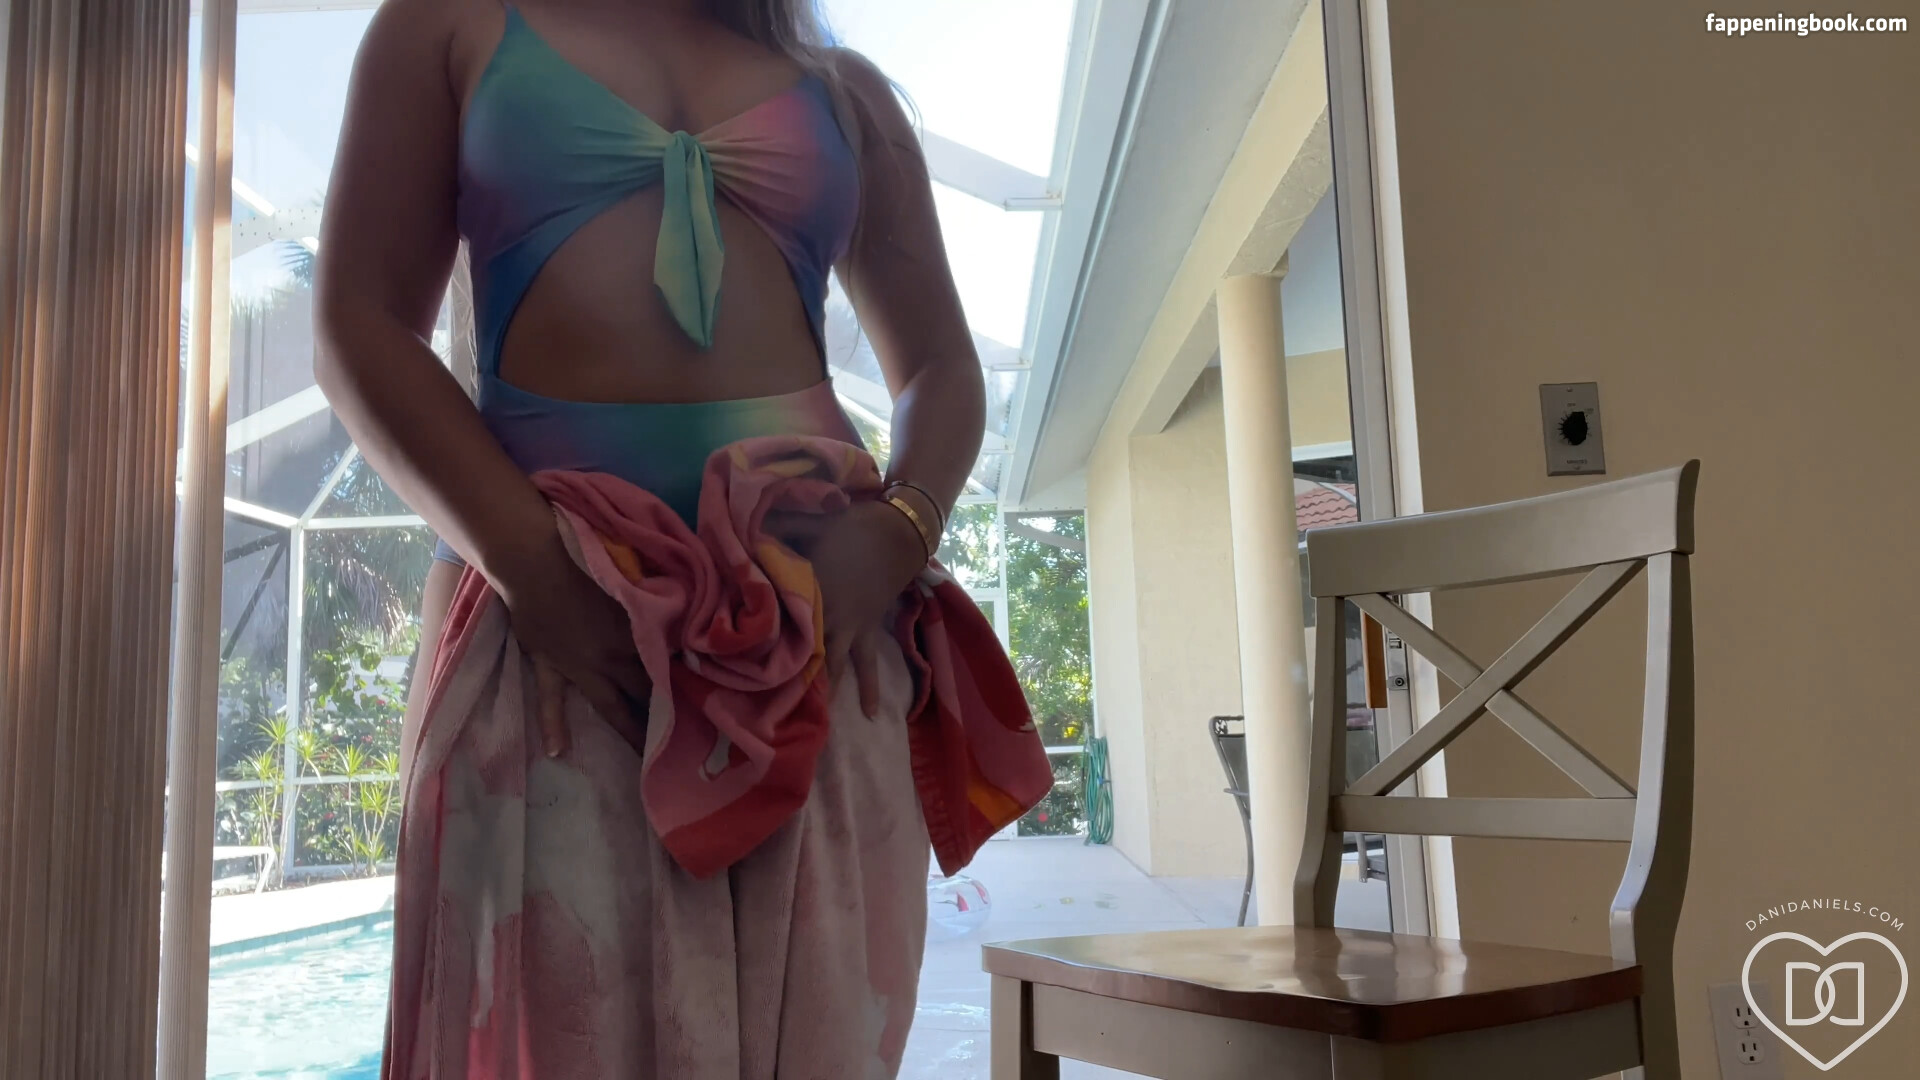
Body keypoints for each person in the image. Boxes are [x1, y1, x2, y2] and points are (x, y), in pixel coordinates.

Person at [313, 0, 985, 1073]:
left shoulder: (848, 92)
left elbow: (943, 366)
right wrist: (535, 572)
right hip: (553, 646)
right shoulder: (444, 26)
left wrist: (895, 538)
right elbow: (360, 324)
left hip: (813, 645)